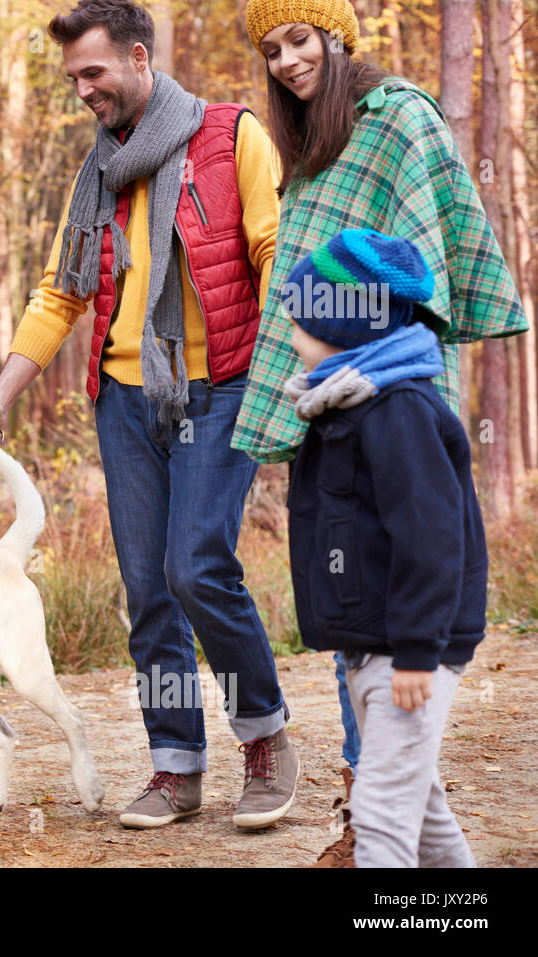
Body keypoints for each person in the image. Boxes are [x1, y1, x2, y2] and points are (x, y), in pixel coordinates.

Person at [0, 0, 297, 830]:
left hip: (220, 387)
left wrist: (296, 363)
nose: (82, 90)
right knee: (148, 589)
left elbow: (272, 249)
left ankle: (265, 738)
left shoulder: (231, 135)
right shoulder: (99, 171)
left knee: (197, 568)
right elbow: (61, 293)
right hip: (124, 401)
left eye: (94, 72)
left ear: (140, 59)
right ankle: (175, 764)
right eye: (73, 77)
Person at [240, 0, 527, 864]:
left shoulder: (397, 116)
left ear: (336, 34)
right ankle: (372, 801)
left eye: (300, 39)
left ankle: (367, 817)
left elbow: (428, 247)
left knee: (397, 534)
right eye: (271, 49)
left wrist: (418, 653)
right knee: (352, 550)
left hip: (390, 371)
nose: (287, 61)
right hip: (337, 380)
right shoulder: (307, 142)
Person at [282, 228, 483, 867]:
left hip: (409, 651)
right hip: (373, 644)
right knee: (420, 813)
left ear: (343, 325)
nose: (291, 333)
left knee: (381, 813)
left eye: (301, 319)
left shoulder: (399, 411)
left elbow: (431, 536)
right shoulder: (346, 406)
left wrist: (420, 651)